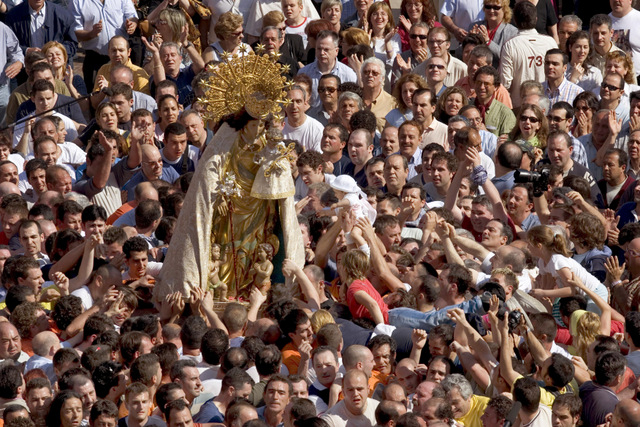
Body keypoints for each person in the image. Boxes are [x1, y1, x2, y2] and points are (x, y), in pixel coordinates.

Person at [498, 1, 558, 108]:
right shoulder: (551, 42)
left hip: (520, 106)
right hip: (544, 106)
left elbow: (505, 83)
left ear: (515, 21)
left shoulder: (510, 45)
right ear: (536, 19)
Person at [69, 0, 138, 89]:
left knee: (125, 92)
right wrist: (91, 33)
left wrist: (132, 25)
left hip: (121, 58)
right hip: (95, 59)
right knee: (95, 94)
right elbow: (74, 33)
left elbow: (132, 17)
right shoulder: (77, 2)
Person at [298, 31, 357, 108]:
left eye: (326, 49)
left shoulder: (348, 74)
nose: (322, 53)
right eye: (319, 49)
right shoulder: (304, 73)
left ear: (336, 51)